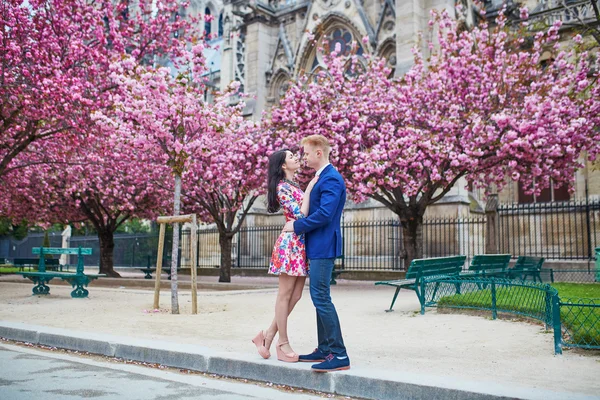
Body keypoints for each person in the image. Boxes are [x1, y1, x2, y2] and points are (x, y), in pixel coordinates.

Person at [283, 134, 350, 372]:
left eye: (307, 153)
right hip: (318, 245)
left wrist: (296, 226)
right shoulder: (322, 178)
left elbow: (325, 214)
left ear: (319, 153)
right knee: (319, 297)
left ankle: (339, 354)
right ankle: (325, 348)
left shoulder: (331, 178)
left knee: (321, 297)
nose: (304, 157)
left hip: (323, 246)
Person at [252, 149, 318, 362]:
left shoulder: (293, 186)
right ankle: (282, 342)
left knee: (296, 295)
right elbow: (300, 215)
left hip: (300, 243)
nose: (296, 158)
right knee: (285, 294)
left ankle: (267, 335)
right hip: (290, 245)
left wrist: (307, 191)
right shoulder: (282, 187)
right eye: (291, 157)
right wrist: (309, 191)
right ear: (282, 165)